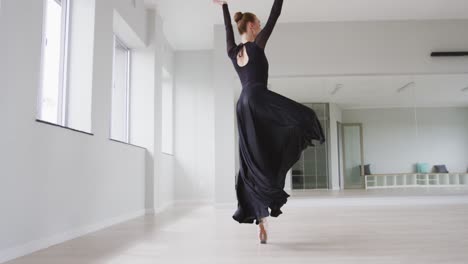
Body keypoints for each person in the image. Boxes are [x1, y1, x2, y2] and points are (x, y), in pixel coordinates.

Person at [213, 0, 325, 244]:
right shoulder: (257, 45)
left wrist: (223, 6)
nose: (261, 26)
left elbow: (227, 31)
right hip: (258, 99)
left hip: (243, 105)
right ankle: (271, 190)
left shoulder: (233, 52)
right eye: (259, 24)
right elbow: (275, 14)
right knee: (304, 117)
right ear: (252, 26)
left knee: (255, 159)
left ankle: (260, 222)